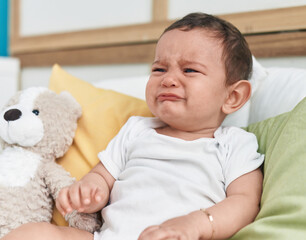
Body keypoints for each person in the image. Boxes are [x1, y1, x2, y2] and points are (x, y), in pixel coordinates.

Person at [2, 12, 264, 240]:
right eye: (159, 69)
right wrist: (90, 189)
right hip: (106, 237)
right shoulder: (137, 129)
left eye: (190, 70)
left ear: (233, 97)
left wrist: (196, 224)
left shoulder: (234, 143)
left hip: (179, 236)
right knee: (31, 233)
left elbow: (245, 203)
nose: (169, 79)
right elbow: (102, 175)